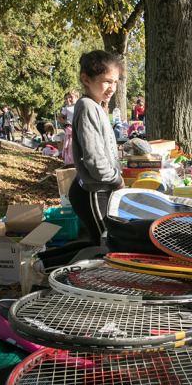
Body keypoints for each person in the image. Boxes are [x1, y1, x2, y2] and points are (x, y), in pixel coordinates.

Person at [69, 50, 124, 246]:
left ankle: (42, 263)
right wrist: (117, 180)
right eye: (107, 81)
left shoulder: (96, 106)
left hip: (98, 189)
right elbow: (94, 160)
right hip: (94, 192)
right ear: (86, 79)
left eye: (115, 82)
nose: (112, 87)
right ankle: (43, 266)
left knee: (97, 244)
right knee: (105, 248)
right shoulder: (87, 107)